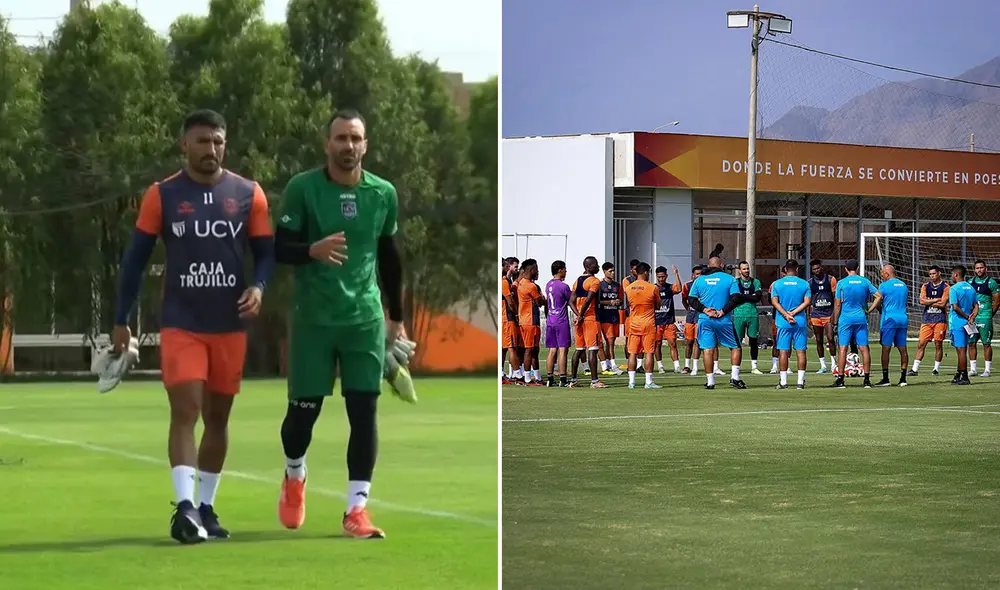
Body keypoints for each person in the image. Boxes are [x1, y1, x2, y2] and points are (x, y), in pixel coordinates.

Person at [113, 109, 275, 544]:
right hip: (182, 322)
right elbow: (133, 261)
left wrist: (259, 287)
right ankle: (184, 508)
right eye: (202, 141)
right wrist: (120, 319)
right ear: (184, 145)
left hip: (229, 323)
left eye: (218, 141)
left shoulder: (248, 194)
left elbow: (265, 253)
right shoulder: (162, 195)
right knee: (185, 410)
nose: (211, 149)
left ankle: (205, 507)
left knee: (218, 419)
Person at [273, 108, 404, 539]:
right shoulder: (302, 189)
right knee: (301, 419)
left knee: (363, 412)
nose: (349, 146)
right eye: (341, 138)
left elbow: (388, 255)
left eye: (356, 138)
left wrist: (396, 318)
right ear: (327, 143)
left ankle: (357, 510)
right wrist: (312, 248)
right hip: (314, 320)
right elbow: (280, 249)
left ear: (366, 144)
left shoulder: (382, 193)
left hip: (363, 320)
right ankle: (295, 474)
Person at [686, 257, 753, 390]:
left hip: (706, 319)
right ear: (721, 265)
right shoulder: (729, 279)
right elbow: (736, 298)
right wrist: (722, 311)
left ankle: (710, 381)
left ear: (708, 266)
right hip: (724, 320)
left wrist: (705, 310)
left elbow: (691, 299)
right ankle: (735, 378)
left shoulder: (699, 280)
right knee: (736, 347)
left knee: (708, 349)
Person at [830, 259, 876, 389]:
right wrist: (869, 310)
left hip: (846, 318)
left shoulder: (842, 283)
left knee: (843, 348)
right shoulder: (864, 281)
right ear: (857, 268)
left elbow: (838, 304)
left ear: (845, 269)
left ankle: (840, 380)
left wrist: (835, 321)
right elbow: (878, 296)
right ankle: (866, 380)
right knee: (864, 348)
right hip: (860, 317)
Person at [769, 260, 812, 390]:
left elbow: (774, 302)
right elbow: (807, 302)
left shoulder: (777, 284)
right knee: (800, 351)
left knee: (783, 350)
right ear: (797, 269)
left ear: (785, 270)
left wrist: (786, 314)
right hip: (799, 320)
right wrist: (794, 312)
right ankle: (800, 382)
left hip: (783, 322)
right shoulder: (804, 284)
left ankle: (783, 382)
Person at [868, 264, 909, 387]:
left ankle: (885, 378)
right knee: (903, 349)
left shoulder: (884, 286)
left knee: (886, 348)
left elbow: (878, 299)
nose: (882, 277)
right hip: (903, 318)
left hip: (889, 320)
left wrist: (870, 310)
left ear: (887, 274)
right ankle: (903, 379)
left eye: (882, 275)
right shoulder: (904, 285)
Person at [622, 262, 662, 389]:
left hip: (634, 323)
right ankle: (648, 382)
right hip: (648, 323)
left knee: (632, 352)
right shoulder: (652, 288)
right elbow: (658, 305)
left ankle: (631, 382)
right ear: (645, 272)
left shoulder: (629, 288)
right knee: (649, 352)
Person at [569, 256, 607, 388]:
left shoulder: (577, 281)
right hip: (590, 319)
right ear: (588, 267)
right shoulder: (594, 281)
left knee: (579, 350)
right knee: (593, 349)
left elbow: (571, 301)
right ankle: (595, 381)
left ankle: (573, 380)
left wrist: (578, 315)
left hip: (579, 320)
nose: (597, 266)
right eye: (595, 265)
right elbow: (588, 300)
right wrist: (582, 315)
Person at [909, 265, 949, 377]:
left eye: (934, 274)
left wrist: (929, 301)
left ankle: (936, 369)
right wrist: (936, 299)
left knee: (938, 344)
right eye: (930, 274)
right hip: (927, 319)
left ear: (939, 273)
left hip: (940, 319)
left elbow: (943, 304)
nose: (932, 276)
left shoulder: (946, 287)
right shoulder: (925, 286)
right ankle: (914, 369)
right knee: (921, 344)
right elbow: (921, 301)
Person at [516, 259, 546, 386]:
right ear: (531, 270)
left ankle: (537, 377)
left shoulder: (521, 283)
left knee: (534, 349)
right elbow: (540, 302)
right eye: (536, 269)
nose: (537, 272)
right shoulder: (531, 286)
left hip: (525, 321)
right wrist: (542, 298)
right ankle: (528, 378)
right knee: (530, 350)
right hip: (531, 322)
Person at [967, 260, 999, 377]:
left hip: (985, 317)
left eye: (981, 268)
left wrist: (990, 314)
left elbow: (997, 301)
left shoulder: (991, 283)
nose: (979, 270)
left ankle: (987, 370)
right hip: (973, 318)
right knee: (971, 343)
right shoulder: (970, 282)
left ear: (986, 269)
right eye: (977, 268)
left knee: (986, 344)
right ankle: (973, 369)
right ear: (974, 270)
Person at [949, 264, 979, 386]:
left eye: (952, 274)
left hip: (957, 322)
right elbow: (976, 305)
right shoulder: (970, 288)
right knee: (961, 349)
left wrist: (967, 316)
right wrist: (973, 316)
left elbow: (955, 307)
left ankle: (964, 375)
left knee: (961, 350)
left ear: (956, 274)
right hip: (967, 324)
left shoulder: (954, 288)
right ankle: (959, 373)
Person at [733, 261, 764, 375]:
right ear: (739, 270)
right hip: (738, 315)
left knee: (754, 341)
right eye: (744, 269)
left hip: (752, 315)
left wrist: (743, 297)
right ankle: (736, 367)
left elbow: (757, 297)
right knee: (737, 342)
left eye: (747, 268)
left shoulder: (756, 282)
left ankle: (754, 366)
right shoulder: (735, 282)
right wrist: (750, 296)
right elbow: (734, 298)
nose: (746, 270)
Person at [544, 261, 572, 387]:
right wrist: (579, 314)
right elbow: (571, 301)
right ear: (560, 270)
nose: (566, 271)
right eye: (565, 269)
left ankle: (550, 379)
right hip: (561, 321)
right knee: (563, 350)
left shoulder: (548, 284)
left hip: (550, 320)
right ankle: (563, 379)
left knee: (552, 350)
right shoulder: (563, 286)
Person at [807, 260, 838, 374]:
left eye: (818, 268)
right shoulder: (810, 283)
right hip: (816, 314)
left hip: (828, 313)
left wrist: (835, 314)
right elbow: (808, 301)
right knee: (819, 340)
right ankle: (823, 365)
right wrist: (808, 317)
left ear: (821, 267)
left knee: (830, 338)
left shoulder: (830, 279)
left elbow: (836, 298)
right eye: (814, 269)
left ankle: (834, 364)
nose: (817, 270)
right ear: (812, 270)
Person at [654, 265, 684, 373]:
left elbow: (679, 289)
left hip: (669, 321)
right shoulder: (654, 288)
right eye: (659, 277)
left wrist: (676, 274)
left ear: (666, 276)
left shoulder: (670, 288)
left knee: (673, 343)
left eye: (663, 276)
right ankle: (660, 366)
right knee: (657, 344)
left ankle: (676, 366)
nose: (661, 279)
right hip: (657, 322)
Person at [597, 262, 624, 375]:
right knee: (608, 341)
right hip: (603, 316)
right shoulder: (599, 285)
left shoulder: (617, 285)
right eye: (610, 271)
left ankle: (608, 364)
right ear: (604, 271)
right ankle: (612, 365)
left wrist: (618, 302)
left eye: (613, 271)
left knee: (611, 341)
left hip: (614, 316)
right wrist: (610, 302)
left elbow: (621, 300)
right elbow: (597, 301)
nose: (613, 273)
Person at [501, 258, 521, 385]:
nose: (516, 269)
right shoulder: (504, 282)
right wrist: (516, 314)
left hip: (505, 318)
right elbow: (509, 302)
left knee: (503, 348)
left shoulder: (508, 281)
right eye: (515, 266)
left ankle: (501, 373)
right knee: (511, 347)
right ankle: (518, 375)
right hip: (508, 318)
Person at [681, 265, 703, 375]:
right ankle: (686, 366)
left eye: (700, 274)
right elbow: (684, 300)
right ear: (693, 275)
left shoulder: (705, 285)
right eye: (697, 274)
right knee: (688, 341)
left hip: (700, 315)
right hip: (690, 315)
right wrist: (689, 309)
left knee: (697, 341)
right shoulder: (687, 285)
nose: (698, 276)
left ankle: (695, 367)